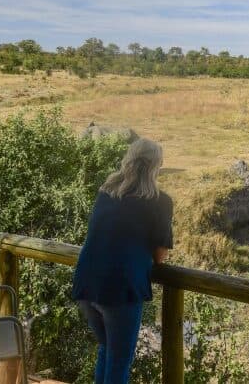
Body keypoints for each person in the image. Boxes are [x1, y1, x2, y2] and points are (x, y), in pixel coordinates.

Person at [71, 138, 173, 384]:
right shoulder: (160, 201)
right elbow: (160, 257)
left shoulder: (107, 191)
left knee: (107, 350)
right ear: (155, 166)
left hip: (86, 283)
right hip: (120, 289)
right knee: (119, 361)